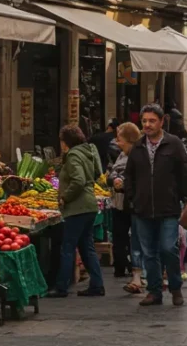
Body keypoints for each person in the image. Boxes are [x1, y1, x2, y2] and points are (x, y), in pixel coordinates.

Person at [124, 104, 187, 306]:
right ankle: (154, 291)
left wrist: (185, 196)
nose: (147, 125)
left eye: (152, 121)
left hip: (168, 208)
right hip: (142, 208)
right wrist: (132, 198)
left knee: (167, 248)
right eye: (144, 121)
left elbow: (184, 172)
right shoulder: (137, 146)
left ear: (162, 122)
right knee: (148, 252)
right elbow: (130, 176)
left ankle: (175, 287)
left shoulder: (174, 144)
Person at [48, 125, 105, 298]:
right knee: (87, 247)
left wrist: (65, 196)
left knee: (68, 247)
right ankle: (97, 285)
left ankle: (61, 287)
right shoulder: (88, 152)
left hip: (77, 208)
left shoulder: (73, 155)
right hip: (89, 205)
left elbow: (78, 180)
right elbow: (96, 174)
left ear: (66, 141)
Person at [108, 122, 143, 287]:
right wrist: (113, 178)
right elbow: (113, 172)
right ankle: (123, 266)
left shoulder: (136, 155)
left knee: (135, 238)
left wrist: (122, 181)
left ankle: (137, 271)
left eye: (119, 138)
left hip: (132, 203)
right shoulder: (122, 155)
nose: (116, 141)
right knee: (123, 236)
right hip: (121, 202)